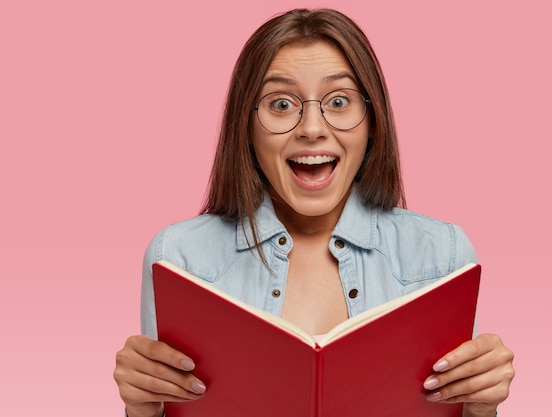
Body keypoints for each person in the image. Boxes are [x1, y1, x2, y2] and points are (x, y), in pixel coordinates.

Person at [114, 8, 514, 417]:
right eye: (281, 104)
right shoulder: (178, 258)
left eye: (338, 101)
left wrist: (480, 409)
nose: (311, 128)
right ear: (246, 128)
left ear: (371, 121)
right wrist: (142, 411)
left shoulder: (442, 255)